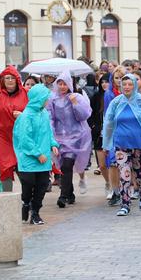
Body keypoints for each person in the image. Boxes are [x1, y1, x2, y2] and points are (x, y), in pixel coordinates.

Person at [102, 74, 141, 216]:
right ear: (120, 86)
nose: (127, 87)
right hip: (120, 144)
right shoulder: (116, 102)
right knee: (124, 174)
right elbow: (108, 123)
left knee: (140, 172)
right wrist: (106, 144)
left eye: (130, 84)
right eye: (124, 85)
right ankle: (125, 204)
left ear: (135, 85)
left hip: (140, 143)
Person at [13, 83, 60, 225]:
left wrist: (53, 144)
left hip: (44, 158)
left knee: (42, 186)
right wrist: (37, 154)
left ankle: (35, 212)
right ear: (38, 99)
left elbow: (49, 132)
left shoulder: (44, 113)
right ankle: (26, 203)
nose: (47, 101)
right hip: (29, 158)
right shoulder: (26, 116)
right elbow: (25, 139)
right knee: (28, 184)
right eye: (45, 98)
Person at [49, 72, 93, 208]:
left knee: (67, 164)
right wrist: (51, 135)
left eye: (65, 84)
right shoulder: (52, 99)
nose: (62, 87)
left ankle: (62, 196)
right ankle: (70, 193)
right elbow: (50, 117)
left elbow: (84, 115)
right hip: (59, 137)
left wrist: (75, 104)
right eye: (60, 83)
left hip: (76, 137)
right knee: (63, 166)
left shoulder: (77, 97)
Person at [103, 66, 127, 206]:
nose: (119, 81)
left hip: (128, 130)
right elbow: (107, 114)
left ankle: (127, 189)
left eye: (122, 78)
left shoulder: (131, 91)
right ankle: (115, 191)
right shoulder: (109, 94)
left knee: (126, 161)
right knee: (112, 161)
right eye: (116, 78)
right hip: (113, 131)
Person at [89, 74, 112, 197]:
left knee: (113, 163)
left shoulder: (114, 96)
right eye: (102, 82)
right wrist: (93, 126)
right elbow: (90, 114)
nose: (104, 84)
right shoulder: (96, 97)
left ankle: (115, 186)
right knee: (102, 165)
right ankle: (108, 182)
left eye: (107, 81)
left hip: (112, 134)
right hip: (99, 135)